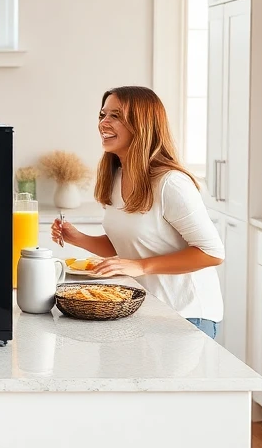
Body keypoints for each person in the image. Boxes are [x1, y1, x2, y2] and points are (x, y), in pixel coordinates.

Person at [51, 86, 224, 338]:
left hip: (186, 316)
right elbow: (128, 248)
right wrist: (77, 238)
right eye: (102, 115)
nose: (103, 123)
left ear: (142, 125)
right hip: (145, 310)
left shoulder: (170, 183)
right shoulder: (116, 176)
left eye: (116, 116)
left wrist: (142, 266)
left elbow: (212, 254)